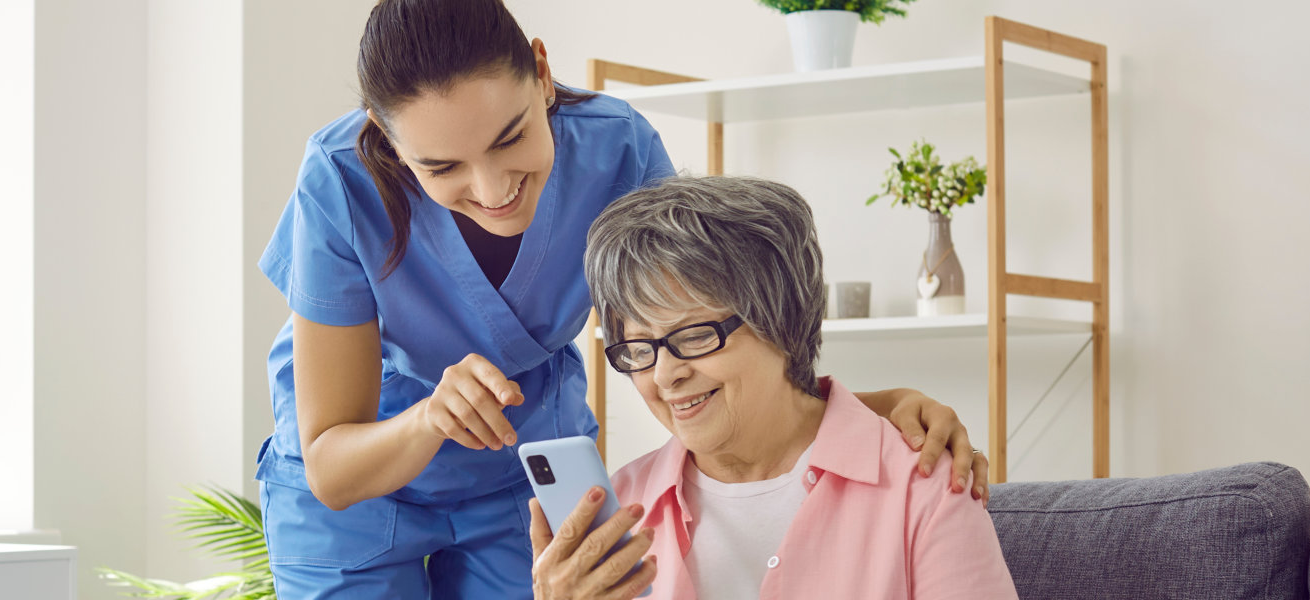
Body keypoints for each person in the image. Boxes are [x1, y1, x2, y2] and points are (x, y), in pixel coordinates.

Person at [258, 1, 993, 597]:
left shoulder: (617, 149)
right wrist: (429, 419)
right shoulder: (338, 182)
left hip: (527, 461)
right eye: (442, 167)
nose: (492, 189)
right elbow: (330, 465)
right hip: (364, 478)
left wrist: (865, 410)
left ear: (542, 74)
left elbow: (712, 330)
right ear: (387, 143)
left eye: (511, 137)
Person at [530, 176, 1017, 599]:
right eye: (638, 349)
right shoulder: (618, 512)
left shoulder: (922, 486)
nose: (663, 375)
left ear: (781, 320)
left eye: (695, 336)